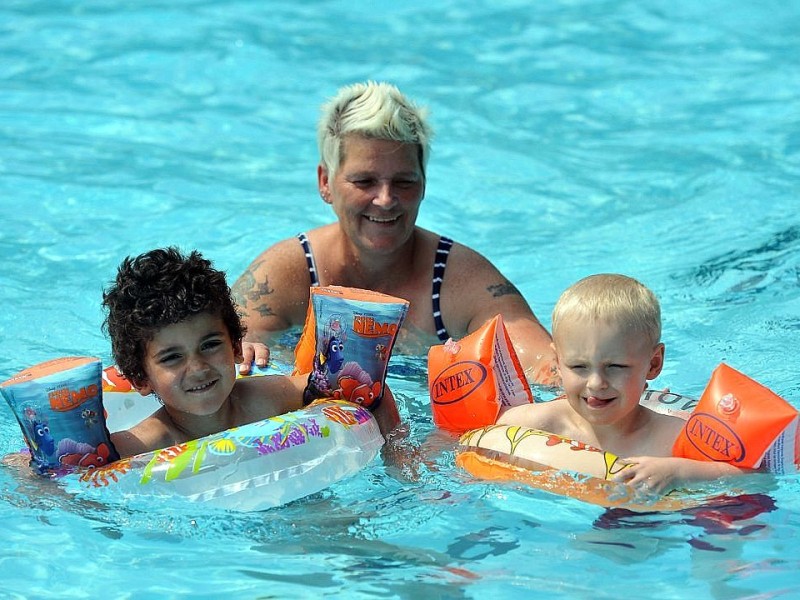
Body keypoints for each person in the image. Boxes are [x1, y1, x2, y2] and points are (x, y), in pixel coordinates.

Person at [233, 81, 557, 384]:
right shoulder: (288, 274)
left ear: (424, 182)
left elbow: (549, 367)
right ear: (325, 182)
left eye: (404, 181)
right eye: (364, 181)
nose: (386, 200)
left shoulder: (461, 281)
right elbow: (224, 357)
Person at [104, 247, 400, 458]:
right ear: (141, 378)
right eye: (172, 357)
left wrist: (398, 458)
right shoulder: (141, 446)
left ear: (235, 345)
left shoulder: (268, 400)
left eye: (209, 345)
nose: (197, 368)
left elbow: (368, 391)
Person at [497, 273, 745, 495]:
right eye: (578, 367)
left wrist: (679, 472)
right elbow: (468, 442)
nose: (596, 383)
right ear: (558, 362)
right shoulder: (534, 424)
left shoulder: (674, 439)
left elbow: (757, 478)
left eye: (615, 367)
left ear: (654, 364)